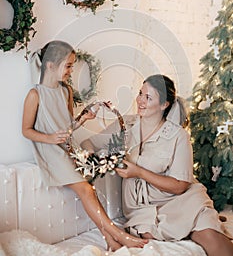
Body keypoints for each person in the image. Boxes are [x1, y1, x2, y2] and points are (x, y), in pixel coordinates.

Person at [22, 40, 148, 251]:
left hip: (69, 148)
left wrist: (84, 118)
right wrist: (51, 138)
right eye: (68, 66)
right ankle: (118, 234)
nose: (71, 71)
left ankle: (109, 239)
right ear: (51, 65)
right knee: (86, 190)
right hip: (50, 151)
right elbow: (26, 130)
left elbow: (68, 125)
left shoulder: (66, 91)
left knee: (90, 189)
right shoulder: (35, 95)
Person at [114, 74, 233, 256]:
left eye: (148, 97)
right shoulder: (126, 125)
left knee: (211, 237)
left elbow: (180, 186)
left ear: (164, 105)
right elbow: (90, 144)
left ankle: (207, 222)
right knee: (147, 234)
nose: (140, 101)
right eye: (140, 93)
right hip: (143, 208)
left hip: (182, 200)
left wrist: (138, 172)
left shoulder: (178, 136)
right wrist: (99, 159)